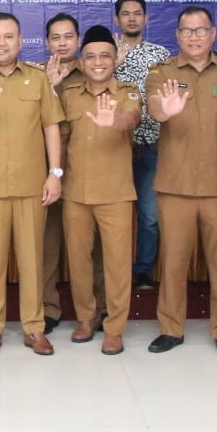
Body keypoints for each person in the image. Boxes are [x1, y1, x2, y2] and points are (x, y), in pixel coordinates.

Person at [145, 7, 217, 358]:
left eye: (200, 30)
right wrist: (168, 110)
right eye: (186, 31)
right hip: (175, 188)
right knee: (173, 264)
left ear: (212, 34)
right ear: (177, 35)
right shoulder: (162, 73)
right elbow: (156, 110)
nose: (194, 37)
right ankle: (171, 329)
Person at [0, 12, 64, 357]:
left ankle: (34, 328)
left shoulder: (37, 78)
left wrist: (56, 173)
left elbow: (51, 126)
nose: (1, 42)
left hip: (32, 184)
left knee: (32, 260)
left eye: (8, 36)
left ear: (20, 41)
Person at [59, 26, 140, 355]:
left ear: (116, 57)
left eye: (104, 55)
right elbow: (61, 138)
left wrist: (114, 122)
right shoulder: (69, 94)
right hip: (75, 191)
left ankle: (115, 327)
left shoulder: (128, 91)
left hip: (117, 192)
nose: (97, 62)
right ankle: (86, 318)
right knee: (78, 261)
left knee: (118, 264)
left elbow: (132, 118)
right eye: (90, 56)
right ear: (81, 60)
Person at [112, 0, 171, 289]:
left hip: (150, 145)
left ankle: (143, 269)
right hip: (113, 149)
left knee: (149, 214)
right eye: (126, 13)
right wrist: (114, 64)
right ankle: (116, 270)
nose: (132, 18)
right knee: (115, 215)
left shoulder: (160, 55)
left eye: (137, 13)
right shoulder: (104, 53)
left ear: (146, 18)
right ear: (117, 19)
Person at [41, 12, 82, 333]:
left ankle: (96, 310)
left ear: (77, 40)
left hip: (87, 170)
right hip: (50, 170)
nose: (63, 42)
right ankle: (48, 309)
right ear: (46, 42)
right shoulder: (38, 76)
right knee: (48, 244)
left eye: (68, 36)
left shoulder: (95, 70)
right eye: (56, 37)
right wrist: (50, 88)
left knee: (88, 245)